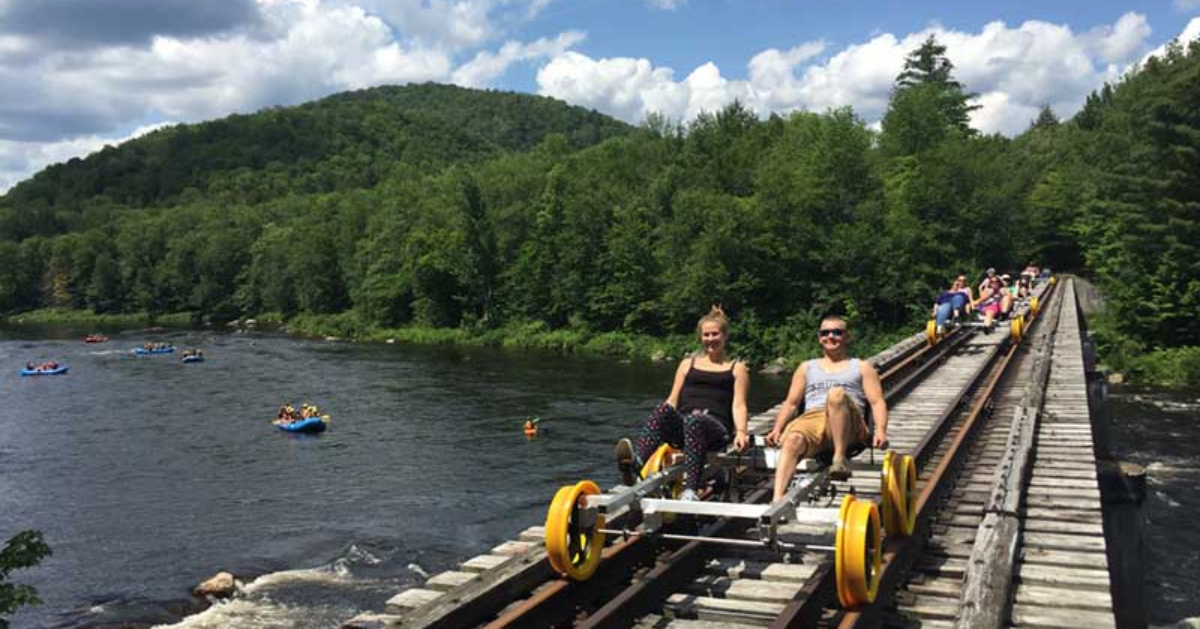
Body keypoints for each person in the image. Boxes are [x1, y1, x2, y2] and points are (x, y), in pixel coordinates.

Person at [614, 306, 751, 501]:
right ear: (700, 337)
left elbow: (739, 405)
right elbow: (672, 400)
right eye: (706, 335)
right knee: (663, 409)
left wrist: (742, 432)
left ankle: (690, 490)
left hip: (715, 430)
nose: (710, 339)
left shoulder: (737, 369)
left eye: (715, 334)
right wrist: (664, 417)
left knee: (695, 420)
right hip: (686, 427)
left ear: (725, 336)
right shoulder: (688, 364)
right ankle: (637, 462)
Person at [765, 313, 889, 500]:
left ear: (847, 337)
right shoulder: (806, 367)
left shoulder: (862, 367)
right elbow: (791, 403)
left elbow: (877, 401)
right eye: (825, 333)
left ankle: (839, 459)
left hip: (849, 422)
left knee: (835, 395)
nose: (830, 336)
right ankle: (777, 502)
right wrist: (777, 428)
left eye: (837, 332)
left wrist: (880, 430)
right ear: (819, 338)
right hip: (814, 421)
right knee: (792, 440)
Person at [975, 268, 1008, 332]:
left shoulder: (1000, 284)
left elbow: (1005, 286)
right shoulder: (987, 283)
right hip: (988, 303)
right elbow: (980, 287)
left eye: (996, 283)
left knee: (990, 311)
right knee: (988, 310)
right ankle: (986, 325)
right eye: (989, 273)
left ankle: (987, 325)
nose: (989, 274)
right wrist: (981, 293)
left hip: (995, 304)